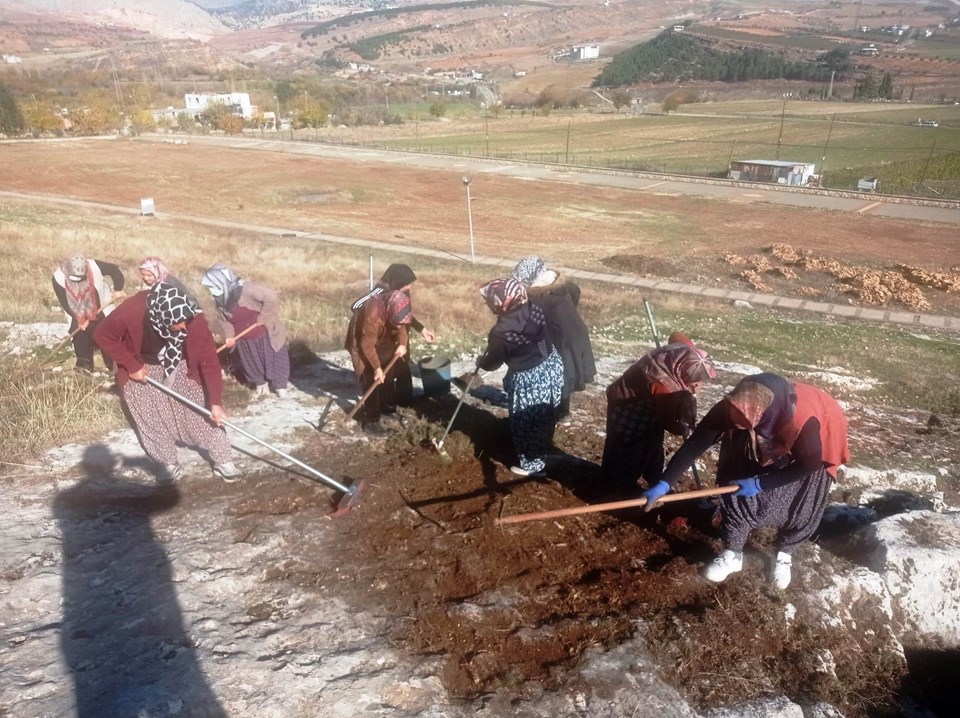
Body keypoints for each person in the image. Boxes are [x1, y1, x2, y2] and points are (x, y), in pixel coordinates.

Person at [642, 373, 849, 590]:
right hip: (766, 423)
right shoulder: (734, 407)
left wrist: (760, 484)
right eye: (736, 420)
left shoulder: (803, 422)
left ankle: (785, 552)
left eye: (745, 423)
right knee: (735, 479)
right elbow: (695, 445)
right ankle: (733, 553)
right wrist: (664, 483)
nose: (737, 423)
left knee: (802, 500)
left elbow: (809, 464)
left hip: (818, 425)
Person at [94, 282, 242, 483]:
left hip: (180, 364)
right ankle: (167, 462)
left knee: (197, 410)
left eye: (186, 321)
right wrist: (131, 365)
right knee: (149, 412)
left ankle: (223, 458)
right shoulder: (133, 310)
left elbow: (210, 363)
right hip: (142, 365)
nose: (184, 326)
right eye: (178, 323)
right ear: (161, 318)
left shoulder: (194, 320)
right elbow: (103, 335)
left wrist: (215, 401)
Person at [601, 332, 716, 496]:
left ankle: (655, 479)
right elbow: (667, 420)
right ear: (681, 373)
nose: (698, 384)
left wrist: (692, 392)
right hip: (628, 406)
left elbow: (677, 336)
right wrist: (682, 429)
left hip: (649, 404)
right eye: (694, 381)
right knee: (629, 448)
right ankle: (618, 489)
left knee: (653, 444)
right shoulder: (663, 384)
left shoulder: (682, 355)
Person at [476, 277, 564, 477]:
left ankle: (532, 466)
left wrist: (481, 362)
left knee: (525, 420)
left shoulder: (501, 333)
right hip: (550, 365)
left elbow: (493, 364)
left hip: (529, 379)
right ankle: (543, 447)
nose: (488, 304)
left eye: (489, 300)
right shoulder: (533, 307)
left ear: (502, 301)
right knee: (545, 413)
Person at [345, 264, 426, 434]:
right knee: (371, 378)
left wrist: (403, 343)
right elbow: (366, 344)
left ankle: (387, 410)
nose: (409, 287)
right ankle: (371, 419)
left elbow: (403, 323)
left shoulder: (398, 299)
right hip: (366, 339)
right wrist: (376, 368)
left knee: (388, 374)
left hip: (385, 338)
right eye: (407, 283)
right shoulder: (372, 312)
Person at [512, 256, 595, 420]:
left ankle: (561, 413)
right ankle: (559, 409)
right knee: (566, 371)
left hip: (564, 340)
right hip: (575, 332)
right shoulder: (559, 284)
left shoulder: (538, 297)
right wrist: (569, 312)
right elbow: (575, 290)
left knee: (562, 372)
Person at [200, 264, 291, 398]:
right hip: (243, 338)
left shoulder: (247, 290)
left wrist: (263, 317)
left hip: (265, 333)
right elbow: (224, 321)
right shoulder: (220, 300)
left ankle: (280, 387)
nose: (212, 290)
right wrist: (229, 336)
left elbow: (271, 298)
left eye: (213, 286)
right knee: (251, 363)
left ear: (221, 281)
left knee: (274, 358)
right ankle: (261, 386)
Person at [52, 254, 125, 374]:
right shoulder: (58, 277)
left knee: (106, 330)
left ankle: (113, 364)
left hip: (100, 304)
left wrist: (118, 289)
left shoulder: (95, 266)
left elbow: (115, 271)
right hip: (75, 305)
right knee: (79, 331)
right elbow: (65, 302)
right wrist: (79, 318)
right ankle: (84, 365)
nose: (79, 281)